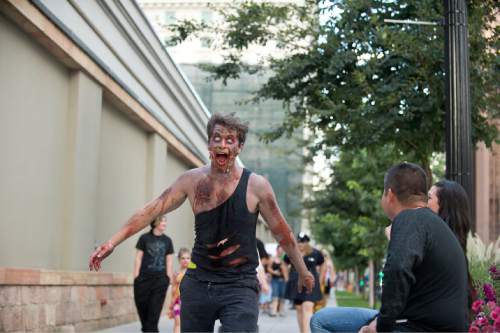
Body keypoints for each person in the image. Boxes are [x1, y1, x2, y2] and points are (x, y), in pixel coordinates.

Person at [89, 112, 314, 333]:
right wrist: (112, 242)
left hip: (240, 284)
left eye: (229, 140)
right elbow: (151, 210)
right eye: (217, 138)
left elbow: (281, 232)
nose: (222, 145)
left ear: (239, 147)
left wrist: (302, 270)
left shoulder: (257, 186)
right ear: (208, 143)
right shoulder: (191, 181)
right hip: (199, 281)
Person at [310, 162, 469, 332]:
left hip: (418, 328)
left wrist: (380, 327)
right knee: (324, 318)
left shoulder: (409, 218)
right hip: (418, 322)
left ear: (390, 195)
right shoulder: (432, 223)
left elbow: (398, 269)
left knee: (321, 321)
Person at [133, 215, 174, 332]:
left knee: (154, 310)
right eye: (163, 222)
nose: (165, 224)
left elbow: (169, 261)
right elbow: (138, 258)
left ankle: (151, 329)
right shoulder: (144, 238)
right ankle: (148, 329)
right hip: (143, 279)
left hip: (160, 280)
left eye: (165, 222)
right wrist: (136, 276)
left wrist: (169, 278)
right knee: (141, 306)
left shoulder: (168, 240)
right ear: (156, 223)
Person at [285, 232, 324, 333]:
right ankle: (302, 331)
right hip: (296, 283)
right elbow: (283, 262)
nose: (300, 245)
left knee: (307, 306)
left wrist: (321, 278)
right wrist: (286, 277)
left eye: (302, 243)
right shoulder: (292, 252)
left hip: (311, 283)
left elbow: (323, 264)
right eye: (298, 242)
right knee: (298, 308)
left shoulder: (315, 253)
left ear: (307, 242)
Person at [168, 248, 191, 333]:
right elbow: (173, 288)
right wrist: (171, 303)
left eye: (188, 258)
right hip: (178, 301)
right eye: (183, 258)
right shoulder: (176, 273)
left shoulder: (192, 272)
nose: (185, 260)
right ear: (179, 259)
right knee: (178, 323)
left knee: (188, 324)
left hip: (189, 302)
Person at [269, 245, 287, 317]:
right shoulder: (272, 258)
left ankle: (281, 310)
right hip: (275, 279)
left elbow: (287, 269)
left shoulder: (285, 259)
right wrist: (274, 272)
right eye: (279, 250)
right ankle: (274, 311)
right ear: (276, 250)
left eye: (282, 250)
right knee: (275, 295)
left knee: (282, 296)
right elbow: (268, 268)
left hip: (283, 279)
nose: (280, 252)